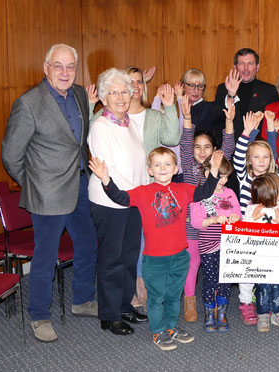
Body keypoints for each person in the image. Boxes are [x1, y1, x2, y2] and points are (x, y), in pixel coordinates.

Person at [1, 43, 98, 342]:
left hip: (81, 186)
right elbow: (11, 154)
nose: (65, 72)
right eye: (58, 66)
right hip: (48, 194)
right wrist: (35, 183)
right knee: (45, 257)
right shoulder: (28, 103)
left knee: (88, 244)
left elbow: (79, 142)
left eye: (70, 66)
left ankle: (82, 300)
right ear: (46, 67)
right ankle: (39, 315)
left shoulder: (80, 94)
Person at [88, 148, 222, 351]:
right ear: (150, 170)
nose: (162, 168)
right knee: (156, 297)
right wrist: (106, 178)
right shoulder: (143, 192)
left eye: (167, 164)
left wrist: (213, 170)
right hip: (155, 260)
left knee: (173, 296)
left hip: (179, 257)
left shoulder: (184, 189)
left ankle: (171, 327)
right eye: (157, 165)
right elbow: (121, 198)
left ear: (176, 169)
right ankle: (158, 330)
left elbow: (204, 193)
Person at [87, 68, 150, 336]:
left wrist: (146, 193)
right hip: (110, 202)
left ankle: (125, 305)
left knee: (128, 256)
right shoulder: (100, 126)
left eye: (124, 91)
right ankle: (110, 315)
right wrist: (136, 194)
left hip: (134, 202)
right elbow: (108, 168)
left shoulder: (131, 124)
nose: (120, 97)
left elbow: (141, 164)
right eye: (113, 92)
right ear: (103, 96)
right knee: (111, 259)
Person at [232, 111, 279, 326]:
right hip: (248, 231)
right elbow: (237, 156)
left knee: (272, 270)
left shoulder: (276, 179)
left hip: (272, 234)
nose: (261, 161)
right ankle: (246, 303)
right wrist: (245, 133)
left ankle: (273, 306)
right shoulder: (245, 178)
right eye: (256, 157)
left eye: (265, 156)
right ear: (249, 161)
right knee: (247, 272)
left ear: (271, 159)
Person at [178, 96, 235, 322]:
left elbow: (228, 145)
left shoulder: (218, 165)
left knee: (217, 267)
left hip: (216, 228)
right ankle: (189, 301)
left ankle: (216, 303)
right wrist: (188, 117)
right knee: (193, 263)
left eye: (207, 147)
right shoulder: (190, 167)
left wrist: (229, 120)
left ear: (214, 150)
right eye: (198, 147)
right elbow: (184, 143)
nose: (202, 152)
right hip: (193, 225)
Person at [189, 158, 241, 333]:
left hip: (228, 244)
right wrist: (213, 220)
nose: (223, 181)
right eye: (220, 176)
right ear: (207, 173)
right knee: (211, 281)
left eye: (226, 176)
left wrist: (235, 218)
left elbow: (238, 214)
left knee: (225, 280)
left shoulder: (230, 193)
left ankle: (222, 314)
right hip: (208, 244)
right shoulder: (200, 194)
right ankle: (209, 314)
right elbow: (196, 222)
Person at [244, 173, 279, 332]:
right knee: (262, 287)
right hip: (260, 260)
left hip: (278, 258)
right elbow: (243, 233)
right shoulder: (252, 209)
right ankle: (263, 313)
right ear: (270, 191)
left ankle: (278, 312)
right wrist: (253, 219)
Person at [214, 48, 279, 143]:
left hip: (257, 149)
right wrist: (231, 95)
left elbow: (274, 123)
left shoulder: (269, 90)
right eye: (241, 63)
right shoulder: (223, 89)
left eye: (250, 63)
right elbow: (218, 119)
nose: (245, 68)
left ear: (257, 67)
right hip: (229, 148)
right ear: (235, 67)